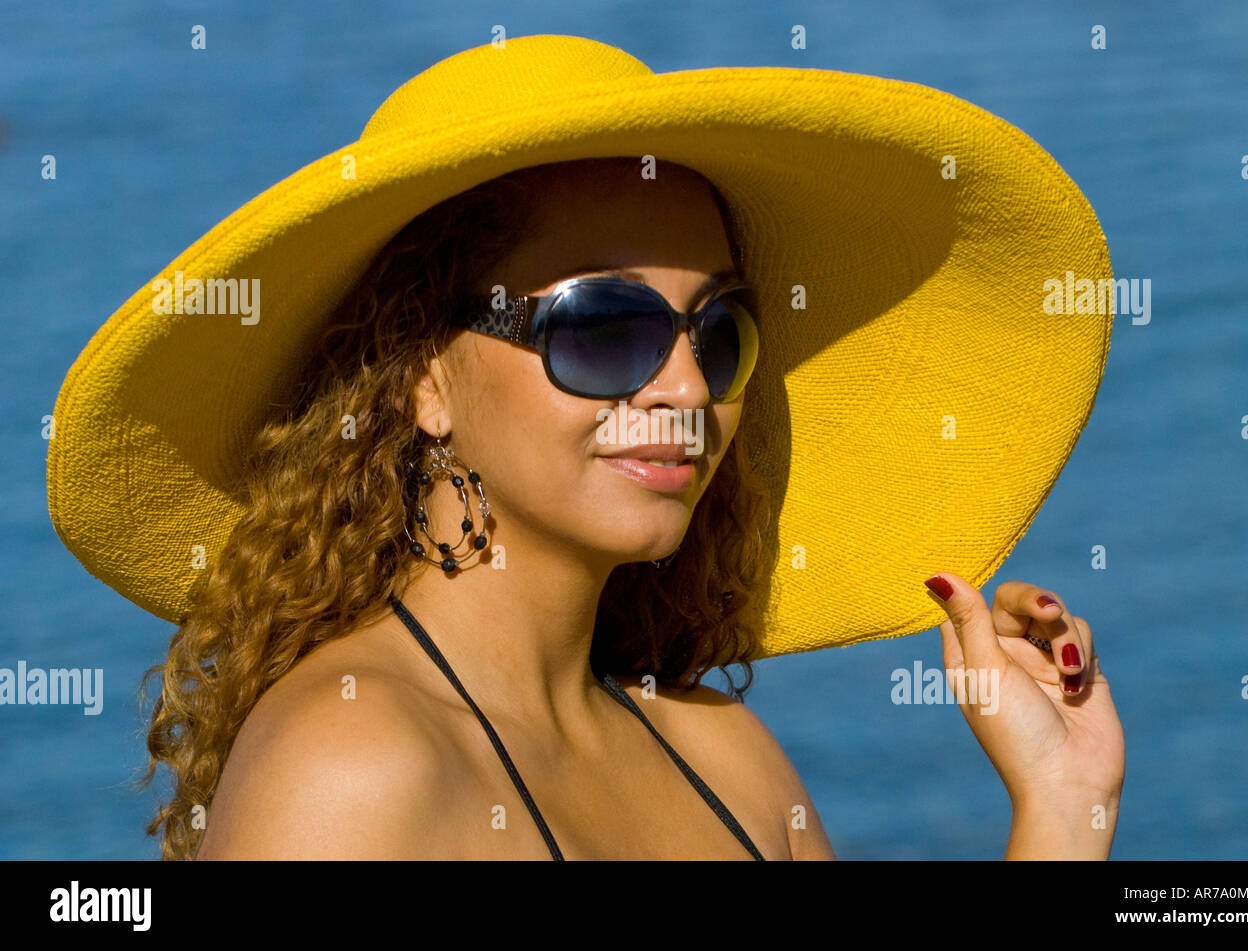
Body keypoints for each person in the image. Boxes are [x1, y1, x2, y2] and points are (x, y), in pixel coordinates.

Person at [48, 35, 1124, 860]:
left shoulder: (726, 762)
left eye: (719, 333)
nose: (685, 387)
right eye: (604, 329)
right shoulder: (350, 767)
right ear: (420, 375)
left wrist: (1064, 803)